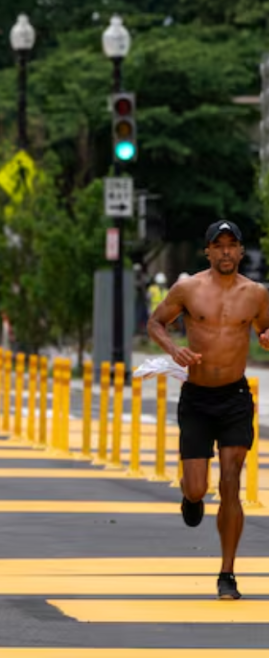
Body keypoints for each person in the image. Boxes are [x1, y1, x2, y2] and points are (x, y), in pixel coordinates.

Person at [147, 220, 269, 600]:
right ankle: (191, 497)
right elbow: (155, 322)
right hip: (197, 398)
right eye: (220, 245)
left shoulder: (256, 293)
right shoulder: (188, 289)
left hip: (234, 397)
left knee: (231, 480)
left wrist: (266, 338)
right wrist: (173, 350)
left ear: (241, 251)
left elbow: (265, 330)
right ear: (208, 252)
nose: (227, 252)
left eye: (233, 245)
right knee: (198, 487)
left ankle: (227, 573)